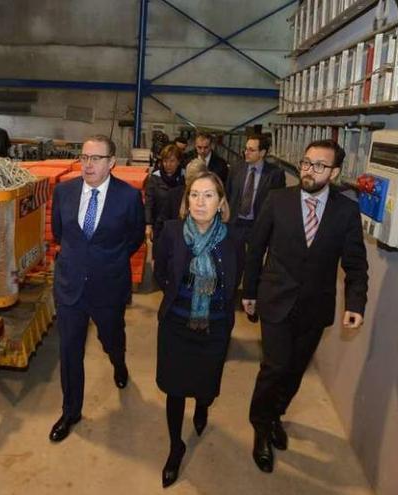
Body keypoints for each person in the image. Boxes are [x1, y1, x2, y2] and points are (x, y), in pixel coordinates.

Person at [242, 139, 369, 473]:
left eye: (320, 165)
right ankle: (260, 427)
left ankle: (274, 416)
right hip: (275, 300)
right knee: (276, 366)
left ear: (336, 172)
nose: (310, 170)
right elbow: (256, 249)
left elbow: (356, 264)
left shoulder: (346, 211)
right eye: (307, 163)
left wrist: (356, 303)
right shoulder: (277, 200)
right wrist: (248, 292)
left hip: (314, 307)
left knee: (295, 371)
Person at [49, 134, 146, 443]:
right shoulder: (64, 192)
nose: (88, 164)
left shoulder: (128, 198)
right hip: (70, 287)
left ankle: (118, 362)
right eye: (85, 157)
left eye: (96, 158)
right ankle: (70, 411)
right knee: (69, 351)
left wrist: (109, 260)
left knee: (111, 337)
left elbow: (135, 238)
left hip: (108, 287)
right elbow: (60, 234)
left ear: (111, 162)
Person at [153, 170, 237, 488]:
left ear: (221, 203)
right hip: (176, 324)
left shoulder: (233, 238)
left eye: (208, 195)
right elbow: (160, 271)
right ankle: (176, 446)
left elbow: (234, 282)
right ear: (186, 201)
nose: (200, 202)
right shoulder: (173, 232)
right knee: (174, 390)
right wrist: (180, 295)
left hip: (213, 328)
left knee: (205, 388)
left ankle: (202, 407)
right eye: (194, 195)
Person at [225, 134, 287, 286]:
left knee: (254, 263)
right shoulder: (236, 168)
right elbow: (227, 194)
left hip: (257, 225)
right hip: (236, 223)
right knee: (232, 262)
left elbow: (277, 205)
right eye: (246, 149)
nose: (246, 152)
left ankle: (250, 295)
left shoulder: (275, 174)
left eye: (251, 150)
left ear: (263, 152)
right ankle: (229, 295)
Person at [145, 144, 185, 243]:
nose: (168, 164)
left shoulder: (185, 177)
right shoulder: (154, 178)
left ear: (178, 162)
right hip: (159, 224)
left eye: (172, 161)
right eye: (165, 161)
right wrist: (148, 224)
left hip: (179, 225)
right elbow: (149, 203)